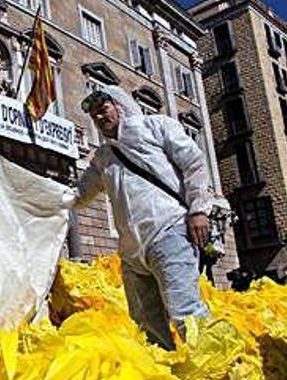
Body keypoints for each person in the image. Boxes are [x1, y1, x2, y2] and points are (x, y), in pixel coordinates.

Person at [75, 86, 215, 350]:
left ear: (119, 105)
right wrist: (38, 194)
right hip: (131, 254)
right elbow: (80, 194)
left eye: (103, 110)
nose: (100, 118)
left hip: (169, 232)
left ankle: (223, 377)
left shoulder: (155, 127)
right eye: (94, 116)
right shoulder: (102, 158)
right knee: (145, 322)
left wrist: (198, 209)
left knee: (185, 311)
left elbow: (194, 163)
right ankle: (167, 377)